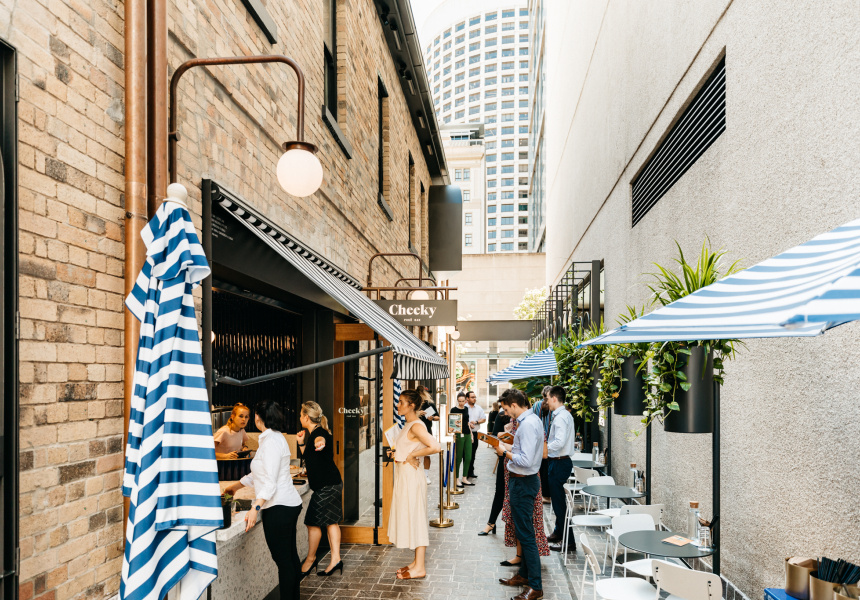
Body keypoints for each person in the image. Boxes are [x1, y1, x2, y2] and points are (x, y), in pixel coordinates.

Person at [223, 400, 302, 600]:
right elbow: (259, 474)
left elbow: (269, 483)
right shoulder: (270, 439)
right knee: (289, 559)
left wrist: (255, 508)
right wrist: (235, 486)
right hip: (285, 505)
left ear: (258, 418)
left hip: (279, 507)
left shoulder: (272, 442)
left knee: (284, 561)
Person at [495, 389, 545, 600]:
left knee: (526, 535)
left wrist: (504, 452)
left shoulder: (527, 425)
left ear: (514, 405)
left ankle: (536, 587)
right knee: (523, 532)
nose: (506, 413)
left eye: (506, 409)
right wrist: (509, 446)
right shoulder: (532, 420)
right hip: (525, 481)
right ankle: (525, 575)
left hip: (523, 482)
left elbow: (524, 460)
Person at [388, 389, 442, 580]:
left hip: (412, 477)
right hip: (405, 475)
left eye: (401, 402)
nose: (398, 404)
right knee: (411, 516)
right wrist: (399, 454)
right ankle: (415, 562)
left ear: (411, 405)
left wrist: (412, 455)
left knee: (417, 517)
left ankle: (420, 567)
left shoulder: (416, 426)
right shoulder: (408, 423)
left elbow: (435, 447)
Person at [296, 401, 343, 578]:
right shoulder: (313, 434)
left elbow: (320, 441)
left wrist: (320, 444)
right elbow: (310, 458)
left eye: (301, 415)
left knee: (313, 522)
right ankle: (336, 559)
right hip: (332, 483)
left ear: (306, 417)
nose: (300, 418)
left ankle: (310, 559)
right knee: (331, 521)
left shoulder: (319, 434)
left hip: (327, 487)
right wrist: (301, 444)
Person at [543, 386, 576, 550]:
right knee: (558, 502)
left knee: (559, 504)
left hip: (559, 462)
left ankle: (568, 541)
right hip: (560, 461)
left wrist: (544, 448)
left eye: (548, 398)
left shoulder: (561, 417)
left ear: (554, 398)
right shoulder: (564, 415)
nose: (546, 401)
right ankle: (558, 532)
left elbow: (560, 441)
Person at [478, 402, 510, 536]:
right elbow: (496, 435)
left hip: (520, 462)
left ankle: (514, 528)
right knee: (500, 491)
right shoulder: (502, 416)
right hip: (505, 458)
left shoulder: (525, 420)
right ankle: (491, 523)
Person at [416, 385, 439, 485]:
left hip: (427, 431)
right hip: (416, 431)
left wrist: (432, 418)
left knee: (427, 454)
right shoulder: (414, 404)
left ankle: (426, 475)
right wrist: (417, 413)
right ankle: (416, 474)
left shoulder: (429, 404)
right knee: (416, 452)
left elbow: (438, 417)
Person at [449, 392, 473, 488]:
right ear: (457, 400)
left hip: (467, 434)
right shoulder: (454, 409)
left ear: (466, 401)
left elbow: (467, 422)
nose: (461, 403)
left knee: (468, 457)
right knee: (458, 457)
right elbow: (451, 423)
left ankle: (464, 478)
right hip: (459, 434)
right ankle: (456, 479)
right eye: (459, 401)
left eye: (463, 401)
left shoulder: (466, 408)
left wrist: (471, 434)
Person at [466, 391, 486, 479]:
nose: (474, 398)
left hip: (474, 433)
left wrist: (477, 422)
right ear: (467, 398)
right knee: (465, 454)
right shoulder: (464, 408)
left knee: (473, 453)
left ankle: (471, 471)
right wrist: (468, 423)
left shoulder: (479, 408)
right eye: (472, 397)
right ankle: (465, 472)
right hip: (465, 433)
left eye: (475, 397)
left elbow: (484, 419)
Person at [538, 385, 553, 504]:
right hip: (551, 444)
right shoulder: (554, 407)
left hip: (538, 443)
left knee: (540, 469)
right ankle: (547, 495)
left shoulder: (536, 405)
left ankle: (541, 494)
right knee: (547, 470)